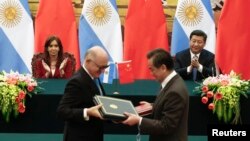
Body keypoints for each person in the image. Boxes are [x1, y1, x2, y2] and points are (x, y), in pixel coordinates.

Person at [122, 48, 189, 141]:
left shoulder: (175, 91)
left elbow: (166, 126)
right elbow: (168, 106)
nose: (151, 73)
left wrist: (139, 120)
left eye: (152, 69)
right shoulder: (172, 82)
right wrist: (152, 106)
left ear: (163, 68)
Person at [57, 46, 110, 141]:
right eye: (100, 67)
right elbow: (62, 111)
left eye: (105, 67)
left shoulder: (94, 77)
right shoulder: (77, 81)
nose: (102, 71)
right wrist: (87, 112)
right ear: (88, 61)